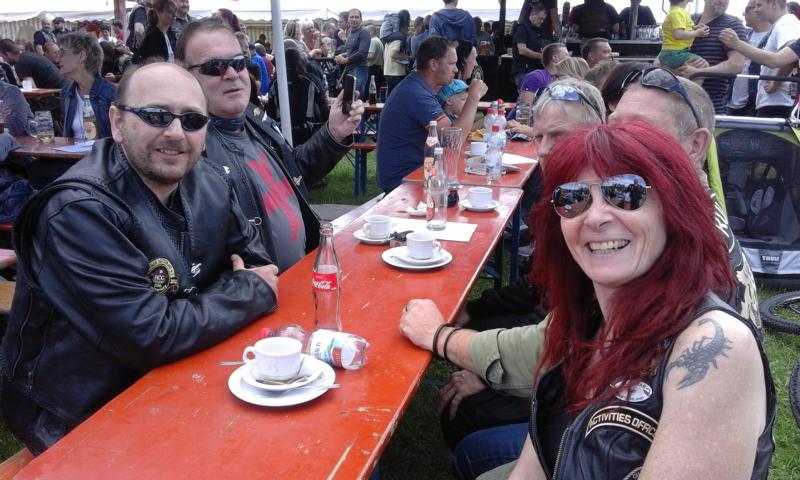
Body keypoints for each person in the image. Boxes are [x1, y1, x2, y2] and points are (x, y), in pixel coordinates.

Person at [399, 122, 773, 480]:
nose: (595, 217)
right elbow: (532, 469)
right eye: (573, 198)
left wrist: (441, 337)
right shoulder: (584, 320)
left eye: (625, 192)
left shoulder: (714, 348)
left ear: (673, 209)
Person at [0, 62, 280, 455]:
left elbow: (255, 262)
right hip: (81, 408)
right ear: (117, 123)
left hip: (185, 367)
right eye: (156, 115)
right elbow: (150, 335)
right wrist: (243, 292)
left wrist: (221, 299)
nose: (176, 133)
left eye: (192, 120)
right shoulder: (78, 210)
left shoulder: (210, 181)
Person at [177, 18, 363, 272]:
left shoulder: (254, 118)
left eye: (238, 62)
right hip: (260, 291)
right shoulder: (186, 149)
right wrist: (242, 288)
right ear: (185, 76)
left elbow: (295, 172)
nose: (231, 73)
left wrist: (333, 133)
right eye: (215, 66)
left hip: (301, 275)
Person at [376, 36, 487, 192]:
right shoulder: (417, 94)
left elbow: (450, 135)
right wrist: (474, 96)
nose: (456, 69)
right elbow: (454, 138)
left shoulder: (418, 87)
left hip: (417, 173)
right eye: (452, 63)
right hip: (404, 182)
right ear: (434, 64)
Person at [675, 0, 747, 114]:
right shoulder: (686, 21)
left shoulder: (733, 24)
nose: (723, 1)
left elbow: (736, 65)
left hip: (711, 108)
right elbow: (661, 60)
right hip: (678, 104)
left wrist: (697, 73)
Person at [58, 32, 117, 139]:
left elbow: (121, 140)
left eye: (62, 52)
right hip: (73, 150)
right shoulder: (66, 92)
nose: (57, 58)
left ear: (82, 56)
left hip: (100, 150)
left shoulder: (111, 94)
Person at [746, 0, 800, 117]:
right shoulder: (783, 24)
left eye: (759, 5)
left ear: (774, 4)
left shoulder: (786, 24)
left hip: (779, 103)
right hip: (778, 101)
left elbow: (788, 58)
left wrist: (776, 83)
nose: (756, 10)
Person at [266, 47, 329, 146]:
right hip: (308, 134)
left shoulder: (276, 82)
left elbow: (270, 111)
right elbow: (323, 111)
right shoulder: (311, 81)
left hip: (282, 133)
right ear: (300, 61)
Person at [721, 0, 772, 116]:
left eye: (748, 9)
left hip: (755, 103)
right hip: (731, 101)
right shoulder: (742, 34)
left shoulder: (773, 36)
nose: (744, 13)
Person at [657, 0, 710, 71]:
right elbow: (678, 34)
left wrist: (695, 28)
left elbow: (683, 28)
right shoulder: (678, 13)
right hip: (675, 53)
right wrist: (697, 33)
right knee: (704, 65)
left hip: (672, 53)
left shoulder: (677, 11)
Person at [0, 39, 65, 89]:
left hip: (58, 95)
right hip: (62, 90)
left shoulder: (20, 62)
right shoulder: (27, 56)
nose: (3, 60)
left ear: (8, 54)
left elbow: (31, 90)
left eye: (2, 56)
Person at [335, 9, 370, 101]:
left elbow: (362, 53)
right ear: (348, 19)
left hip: (360, 69)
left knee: (356, 100)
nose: (354, 19)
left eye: (356, 17)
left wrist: (345, 60)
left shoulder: (364, 32)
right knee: (349, 101)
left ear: (361, 19)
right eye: (352, 17)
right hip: (350, 70)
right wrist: (341, 56)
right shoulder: (350, 31)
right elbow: (351, 51)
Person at [512, 5, 547, 87]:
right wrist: (542, 56)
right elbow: (522, 50)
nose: (541, 21)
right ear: (533, 14)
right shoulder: (522, 28)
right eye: (540, 18)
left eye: (543, 19)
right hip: (523, 70)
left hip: (532, 70)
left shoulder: (536, 30)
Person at [383, 16, 411, 95]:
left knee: (390, 95)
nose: (408, 31)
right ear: (402, 28)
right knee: (398, 95)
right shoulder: (398, 39)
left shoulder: (388, 39)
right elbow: (394, 54)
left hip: (388, 71)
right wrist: (408, 57)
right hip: (396, 73)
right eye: (407, 28)